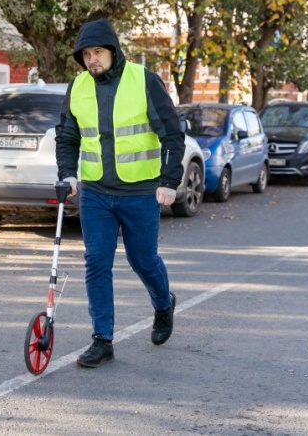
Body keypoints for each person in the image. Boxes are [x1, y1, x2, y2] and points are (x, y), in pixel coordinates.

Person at [55, 19, 185, 368]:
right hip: (97, 192)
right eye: (86, 54)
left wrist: (169, 181)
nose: (92, 60)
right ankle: (102, 339)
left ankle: (163, 303)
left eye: (97, 52)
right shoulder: (78, 87)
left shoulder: (143, 80)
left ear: (113, 51)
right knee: (96, 262)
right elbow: (67, 136)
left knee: (142, 260)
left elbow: (173, 135)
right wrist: (68, 174)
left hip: (141, 192)